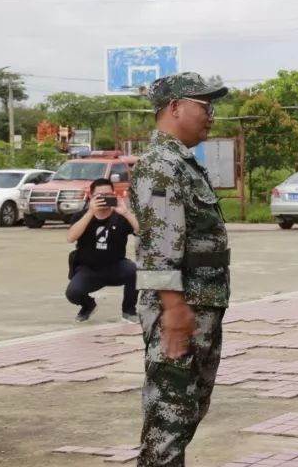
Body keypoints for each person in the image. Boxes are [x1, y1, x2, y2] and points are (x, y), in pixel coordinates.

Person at [131, 72, 230, 467]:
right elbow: (157, 246)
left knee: (185, 412)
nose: (211, 115)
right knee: (169, 417)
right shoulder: (160, 165)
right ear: (175, 107)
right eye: (204, 106)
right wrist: (173, 309)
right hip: (181, 305)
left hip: (199, 303)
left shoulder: (182, 163)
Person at [65, 177, 140, 323]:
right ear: (91, 197)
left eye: (108, 195)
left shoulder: (121, 217)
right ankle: (88, 305)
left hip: (116, 266)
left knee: (135, 271)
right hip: (89, 269)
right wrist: (90, 212)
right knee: (72, 293)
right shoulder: (81, 216)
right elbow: (71, 237)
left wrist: (125, 212)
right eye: (100, 196)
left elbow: (142, 231)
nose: (105, 199)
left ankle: (129, 310)